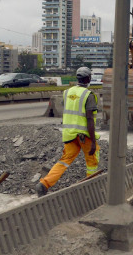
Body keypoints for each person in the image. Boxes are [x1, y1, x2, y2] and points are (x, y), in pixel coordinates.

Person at [36, 67, 99, 196]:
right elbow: (89, 119)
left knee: (64, 160)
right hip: (84, 135)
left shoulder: (67, 92)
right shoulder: (88, 95)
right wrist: (93, 141)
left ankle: (44, 184)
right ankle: (90, 188)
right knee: (92, 161)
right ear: (88, 78)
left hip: (70, 134)